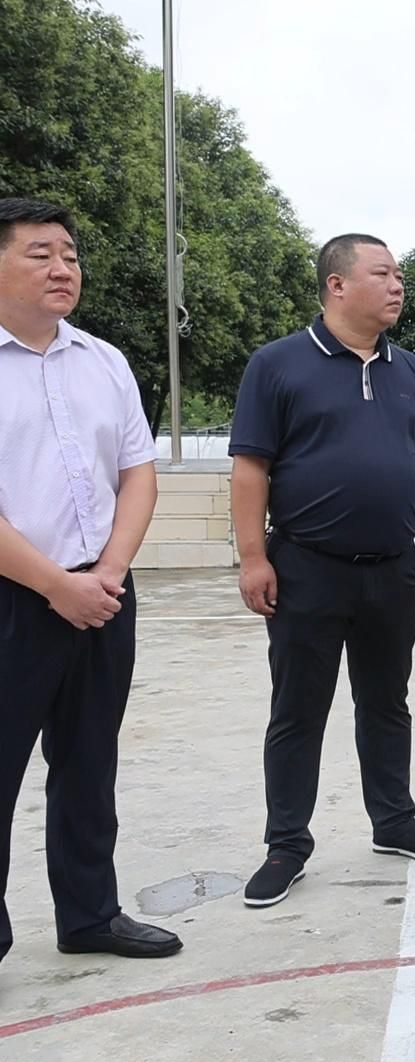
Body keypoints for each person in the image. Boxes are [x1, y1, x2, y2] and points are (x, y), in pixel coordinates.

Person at [229, 234, 415, 909]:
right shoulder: (278, 365)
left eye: (399, 275)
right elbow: (251, 467)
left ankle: (394, 821)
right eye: (382, 273)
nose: (397, 285)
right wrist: (252, 557)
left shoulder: (411, 373)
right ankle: (287, 844)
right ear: (337, 285)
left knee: (387, 702)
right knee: (298, 709)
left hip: (390, 569)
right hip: (306, 567)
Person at [0, 197, 178, 965]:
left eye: (70, 255)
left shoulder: (104, 362)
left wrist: (107, 572)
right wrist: (54, 585)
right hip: (15, 597)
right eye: (40, 253)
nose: (62, 268)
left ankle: (90, 914)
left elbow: (137, 473)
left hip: (103, 594)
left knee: (88, 761)